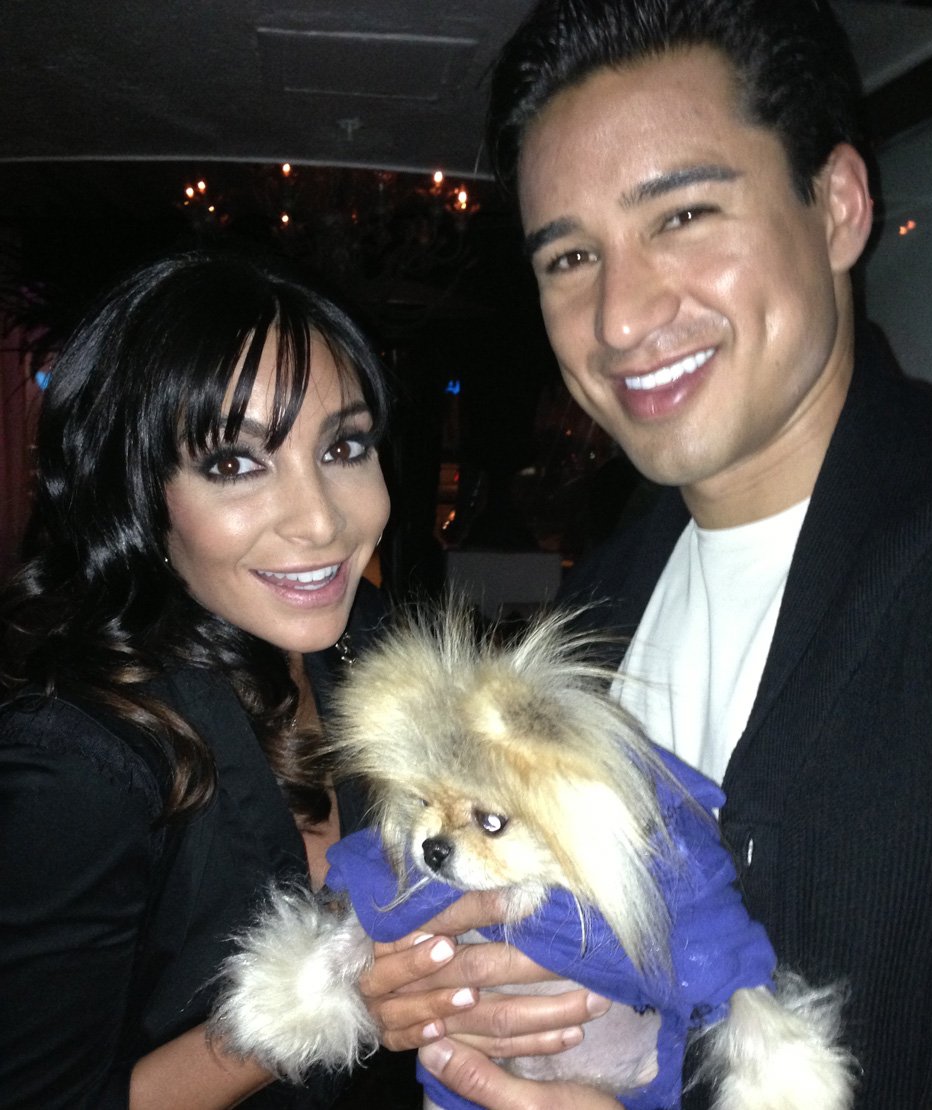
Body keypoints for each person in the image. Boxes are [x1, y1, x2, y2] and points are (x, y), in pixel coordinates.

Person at [416, 0, 932, 1107]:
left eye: (682, 215)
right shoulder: (586, 618)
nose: (621, 318)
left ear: (834, 207)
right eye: (571, 256)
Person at [0, 250, 601, 1108]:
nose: (321, 519)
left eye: (344, 446)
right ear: (136, 492)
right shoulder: (77, 764)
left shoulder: (382, 657)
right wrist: (332, 999)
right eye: (235, 464)